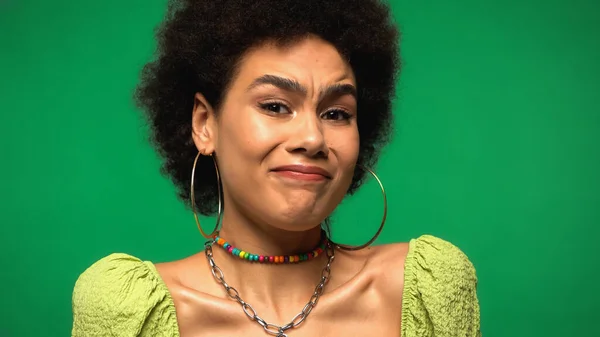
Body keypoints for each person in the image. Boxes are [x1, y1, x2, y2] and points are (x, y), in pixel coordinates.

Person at [71, 0, 481, 336]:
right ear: (204, 124)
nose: (314, 138)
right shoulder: (128, 312)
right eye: (275, 106)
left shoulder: (426, 290)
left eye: (337, 113)